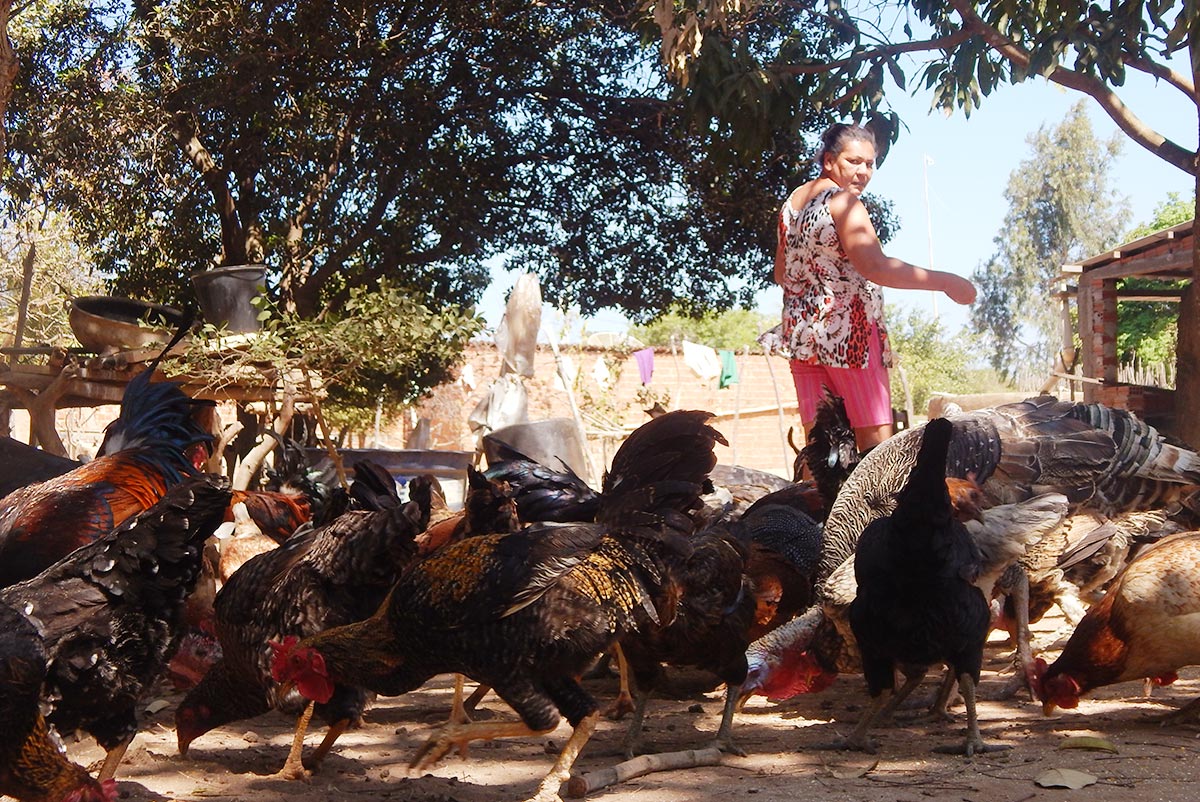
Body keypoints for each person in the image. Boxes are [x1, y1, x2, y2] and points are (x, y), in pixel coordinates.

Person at [775, 123, 976, 452]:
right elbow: (875, 267)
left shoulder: (792, 205)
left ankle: (812, 506)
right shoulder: (843, 203)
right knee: (874, 449)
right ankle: (871, 506)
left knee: (818, 451)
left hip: (802, 336)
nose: (863, 172)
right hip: (850, 338)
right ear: (828, 160)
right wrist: (946, 282)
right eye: (854, 161)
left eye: (870, 164)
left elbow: (781, 272)